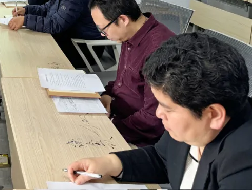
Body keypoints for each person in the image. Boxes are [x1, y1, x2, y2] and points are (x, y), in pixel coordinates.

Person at [67, 33, 252, 190]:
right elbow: (162, 158)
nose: (158, 113)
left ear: (214, 115)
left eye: (167, 108)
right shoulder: (193, 124)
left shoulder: (243, 163)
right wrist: (110, 163)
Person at [90, 0, 174, 146]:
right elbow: (122, 80)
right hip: (118, 114)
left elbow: (153, 119)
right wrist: (107, 95)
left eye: (103, 29)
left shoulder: (158, 50)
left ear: (123, 19)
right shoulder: (130, 34)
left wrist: (111, 127)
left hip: (138, 135)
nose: (102, 34)